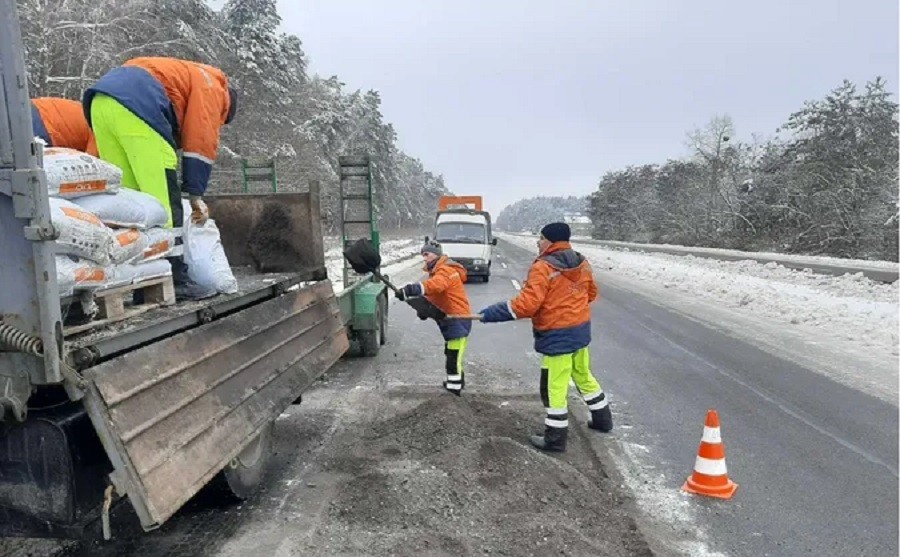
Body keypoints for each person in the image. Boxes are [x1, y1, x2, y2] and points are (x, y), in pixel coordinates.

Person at [83, 57, 238, 300]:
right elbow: (201, 141)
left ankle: (137, 281)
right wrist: (195, 194)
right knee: (163, 203)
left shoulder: (181, 74)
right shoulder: (213, 85)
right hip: (139, 105)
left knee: (130, 207)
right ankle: (175, 279)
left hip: (100, 102)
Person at [478, 223, 612, 452]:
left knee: (554, 387)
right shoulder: (582, 262)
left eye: (540, 238)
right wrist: (570, 306)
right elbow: (591, 293)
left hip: (557, 335)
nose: (537, 242)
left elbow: (527, 305)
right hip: (580, 331)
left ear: (550, 241)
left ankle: (555, 439)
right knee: (582, 375)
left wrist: (490, 314)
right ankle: (603, 420)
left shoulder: (543, 267)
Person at [396, 241, 473, 395]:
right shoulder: (438, 271)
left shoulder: (446, 270)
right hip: (451, 319)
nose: (424, 258)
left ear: (436, 255)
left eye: (427, 254)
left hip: (458, 319)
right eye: (422, 255)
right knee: (452, 354)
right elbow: (434, 295)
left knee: (454, 357)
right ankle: (457, 382)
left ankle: (454, 391)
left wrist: (414, 288)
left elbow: (436, 285)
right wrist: (423, 309)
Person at [31, 97, 98, 155]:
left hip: (33, 106)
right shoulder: (99, 130)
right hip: (45, 124)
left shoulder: (88, 111)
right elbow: (91, 160)